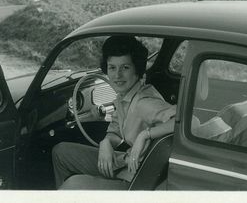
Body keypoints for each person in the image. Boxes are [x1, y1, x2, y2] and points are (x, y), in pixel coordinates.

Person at [52, 36, 177, 190]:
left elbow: (187, 122)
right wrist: (106, 144)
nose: (117, 75)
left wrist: (145, 134)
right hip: (124, 164)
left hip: (135, 179)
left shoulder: (144, 103)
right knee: (61, 152)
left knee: (72, 185)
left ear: (137, 70)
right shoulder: (124, 97)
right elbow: (116, 131)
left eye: (125, 68)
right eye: (112, 68)